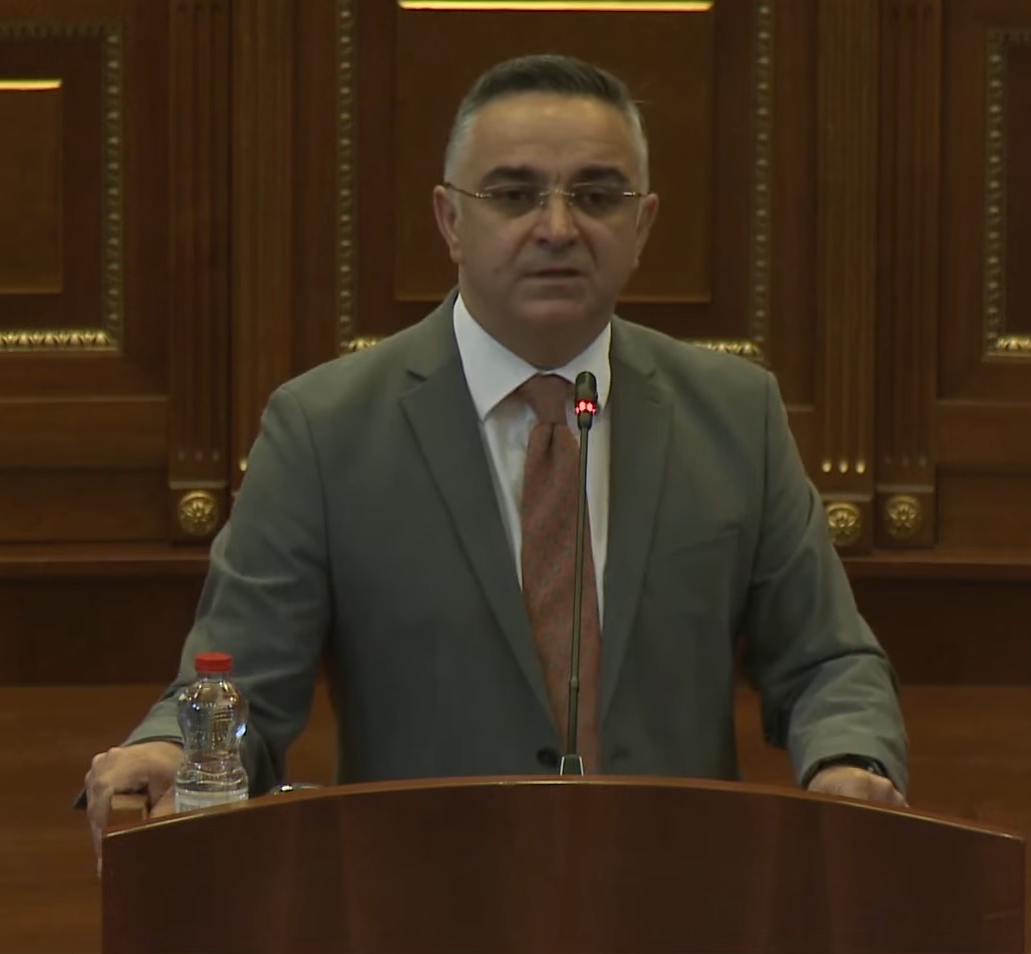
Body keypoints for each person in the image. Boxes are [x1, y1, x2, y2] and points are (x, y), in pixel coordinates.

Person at [84, 53, 907, 855]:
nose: (558, 228)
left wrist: (850, 761)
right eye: (514, 195)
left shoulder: (734, 415)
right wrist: (170, 747)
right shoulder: (324, 429)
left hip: (674, 890)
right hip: (420, 896)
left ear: (643, 224)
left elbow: (827, 660)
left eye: (597, 196)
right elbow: (239, 681)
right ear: (451, 220)